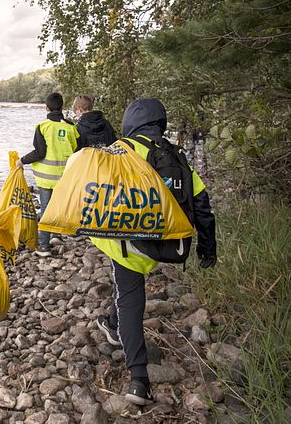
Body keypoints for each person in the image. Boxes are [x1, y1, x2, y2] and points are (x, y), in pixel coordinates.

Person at [90, 98, 217, 406]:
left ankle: (138, 380)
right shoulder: (176, 155)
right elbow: (202, 205)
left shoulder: (120, 151)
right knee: (125, 291)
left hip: (128, 242)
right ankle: (111, 322)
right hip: (165, 242)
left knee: (131, 298)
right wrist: (207, 250)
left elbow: (95, 190)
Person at [16, 92, 79, 257]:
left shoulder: (43, 127)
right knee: (59, 207)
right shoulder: (71, 127)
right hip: (65, 177)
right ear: (62, 106)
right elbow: (78, 151)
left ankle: (44, 246)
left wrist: (22, 161)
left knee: (45, 209)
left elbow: (39, 152)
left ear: (47, 107)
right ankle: (56, 235)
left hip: (46, 177)